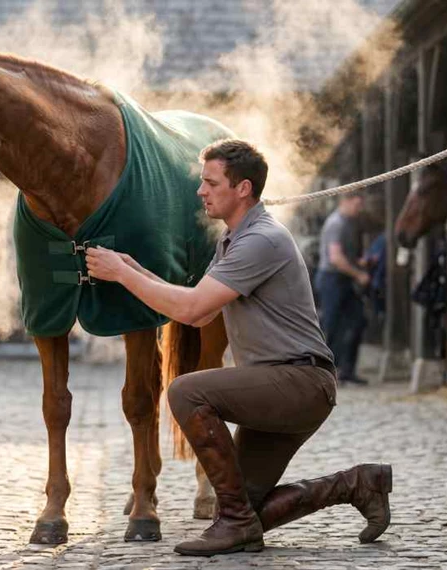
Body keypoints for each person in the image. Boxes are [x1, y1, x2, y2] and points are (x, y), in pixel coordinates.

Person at [85, 140, 391, 557]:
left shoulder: (260, 240)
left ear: (243, 188)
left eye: (210, 182)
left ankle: (236, 524)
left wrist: (122, 275)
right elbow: (202, 307)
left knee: (184, 391)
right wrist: (134, 268)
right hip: (283, 385)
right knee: (242, 509)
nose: (200, 191)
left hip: (298, 383)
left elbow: (192, 313)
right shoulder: (234, 240)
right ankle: (358, 484)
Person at [315, 192, 370, 385]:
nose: (359, 209)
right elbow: (336, 258)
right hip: (332, 280)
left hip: (343, 280)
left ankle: (347, 370)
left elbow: (345, 255)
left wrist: (359, 262)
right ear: (345, 201)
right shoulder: (336, 223)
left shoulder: (349, 222)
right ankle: (326, 372)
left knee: (357, 321)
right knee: (332, 326)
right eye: (357, 204)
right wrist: (359, 274)